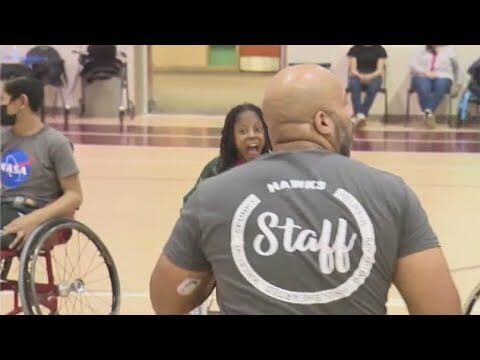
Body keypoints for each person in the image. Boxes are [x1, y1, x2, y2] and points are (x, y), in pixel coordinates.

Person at [150, 64, 461, 315]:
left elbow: (167, 301)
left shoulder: (212, 195)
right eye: (345, 111)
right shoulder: (391, 193)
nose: (350, 120)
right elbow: (440, 309)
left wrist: (216, 270)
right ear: (323, 121)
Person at [1, 77, 82, 251]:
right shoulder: (3, 139)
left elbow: (74, 195)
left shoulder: (55, 143)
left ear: (22, 101)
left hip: (35, 212)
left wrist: (33, 219)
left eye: (2, 99)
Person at [183, 103, 272, 206]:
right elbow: (190, 204)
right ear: (232, 137)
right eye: (243, 131)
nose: (252, 135)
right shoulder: (216, 169)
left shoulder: (274, 169)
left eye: (258, 129)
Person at [410, 45, 460, 129]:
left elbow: (456, 67)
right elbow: (413, 65)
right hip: (422, 75)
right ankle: (429, 114)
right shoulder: (421, 48)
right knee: (423, 86)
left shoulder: (449, 49)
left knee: (441, 85)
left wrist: (458, 84)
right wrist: (425, 72)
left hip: (443, 76)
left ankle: (428, 111)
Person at [347, 45, 387, 128]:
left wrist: (369, 76)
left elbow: (379, 70)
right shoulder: (355, 49)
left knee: (374, 86)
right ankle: (360, 114)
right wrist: (361, 76)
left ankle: (360, 114)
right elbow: (353, 69)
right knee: (354, 84)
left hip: (374, 76)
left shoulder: (380, 49)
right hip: (357, 75)